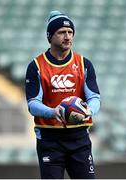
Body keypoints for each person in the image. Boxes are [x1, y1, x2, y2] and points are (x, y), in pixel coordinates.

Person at [25, 10, 101, 179]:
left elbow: (95, 97)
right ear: (50, 36)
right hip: (49, 139)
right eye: (61, 32)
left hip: (79, 137)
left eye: (70, 32)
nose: (67, 37)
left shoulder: (83, 64)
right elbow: (33, 103)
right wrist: (53, 112)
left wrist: (89, 111)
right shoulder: (36, 66)